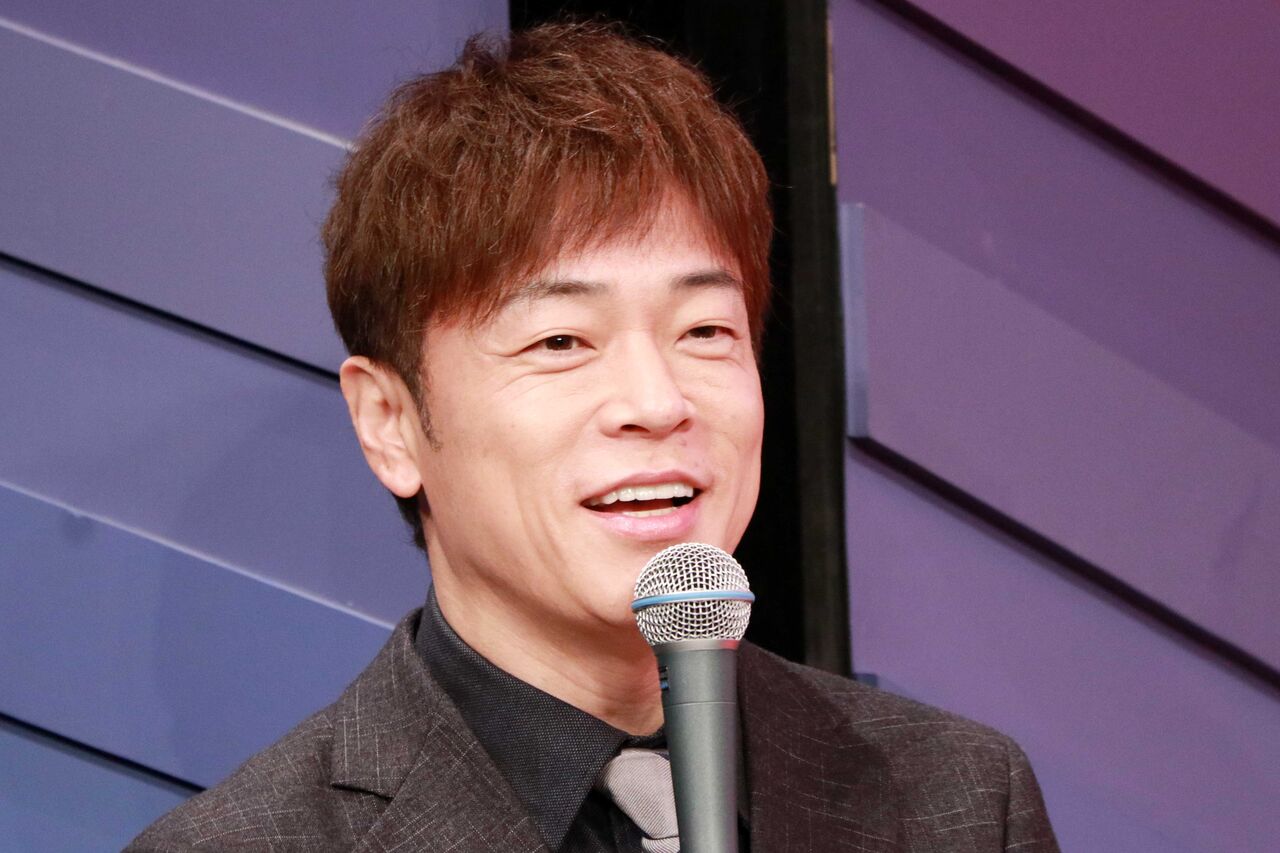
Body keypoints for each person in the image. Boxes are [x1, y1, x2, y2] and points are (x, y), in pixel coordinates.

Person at [130, 22, 1058, 852]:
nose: (657, 401)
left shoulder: (959, 802)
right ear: (391, 422)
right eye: (561, 341)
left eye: (704, 330)